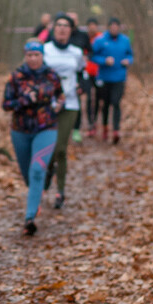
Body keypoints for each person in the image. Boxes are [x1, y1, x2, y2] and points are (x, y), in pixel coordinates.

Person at [3, 39, 63, 235]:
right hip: (20, 130)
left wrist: (58, 106)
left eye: (37, 55)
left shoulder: (51, 75)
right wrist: (24, 100)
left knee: (37, 170)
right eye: (30, 55)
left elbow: (60, 96)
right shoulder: (16, 77)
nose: (33, 58)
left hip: (46, 128)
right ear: (25, 55)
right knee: (28, 174)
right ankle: (37, 194)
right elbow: (6, 105)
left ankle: (30, 218)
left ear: (42, 56)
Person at [43, 15, 85, 209]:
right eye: (58, 25)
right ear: (54, 29)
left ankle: (60, 191)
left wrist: (82, 87)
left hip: (70, 104)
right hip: (48, 105)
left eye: (65, 26)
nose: (61, 29)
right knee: (50, 148)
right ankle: (47, 173)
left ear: (71, 30)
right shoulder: (45, 50)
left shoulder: (76, 52)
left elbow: (83, 74)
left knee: (60, 148)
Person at [91, 17, 133, 144]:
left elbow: (130, 55)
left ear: (119, 28)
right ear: (108, 27)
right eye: (112, 26)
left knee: (116, 102)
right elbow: (92, 56)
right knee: (106, 104)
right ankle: (105, 127)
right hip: (104, 78)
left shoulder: (125, 40)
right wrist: (104, 61)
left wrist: (128, 61)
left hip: (119, 77)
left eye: (116, 26)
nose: (114, 28)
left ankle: (116, 130)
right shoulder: (100, 40)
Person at [64, 12, 93, 142]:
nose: (72, 21)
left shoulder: (82, 35)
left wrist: (87, 57)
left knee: (77, 102)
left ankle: (76, 130)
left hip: (79, 74)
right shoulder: (61, 34)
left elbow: (90, 50)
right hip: (62, 75)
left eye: (74, 19)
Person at [83, 17, 102, 136]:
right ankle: (90, 124)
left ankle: (95, 121)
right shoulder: (84, 39)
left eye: (94, 25)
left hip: (99, 72)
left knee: (99, 99)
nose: (92, 28)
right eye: (90, 25)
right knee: (89, 98)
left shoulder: (101, 38)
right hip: (87, 73)